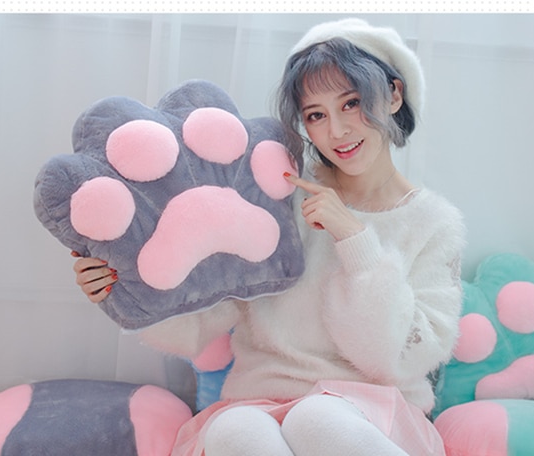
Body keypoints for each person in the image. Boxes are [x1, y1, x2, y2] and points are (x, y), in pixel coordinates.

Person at [73, 18, 466, 456]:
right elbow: (209, 307)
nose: (337, 131)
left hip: (374, 415)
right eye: (316, 115)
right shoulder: (278, 193)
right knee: (233, 430)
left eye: (352, 103)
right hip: (261, 403)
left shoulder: (435, 223)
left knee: (318, 418)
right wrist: (124, 284)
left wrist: (354, 239)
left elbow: (397, 358)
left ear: (393, 94)